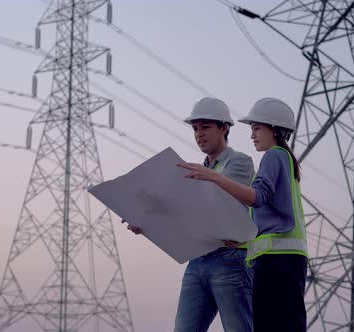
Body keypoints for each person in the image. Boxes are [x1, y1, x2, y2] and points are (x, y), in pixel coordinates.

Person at [124, 97, 255, 332]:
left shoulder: (239, 162)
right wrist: (145, 220)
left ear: (224, 128)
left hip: (230, 260)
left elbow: (218, 204)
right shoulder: (194, 172)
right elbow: (187, 213)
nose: (198, 134)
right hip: (198, 261)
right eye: (195, 128)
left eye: (205, 127)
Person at [178, 98, 308, 332]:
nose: (252, 136)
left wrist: (215, 177)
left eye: (257, 128)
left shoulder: (272, 156)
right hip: (277, 259)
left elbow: (257, 198)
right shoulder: (284, 160)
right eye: (195, 128)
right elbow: (269, 215)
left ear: (275, 129)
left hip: (275, 260)